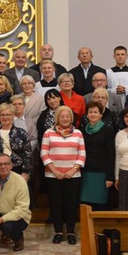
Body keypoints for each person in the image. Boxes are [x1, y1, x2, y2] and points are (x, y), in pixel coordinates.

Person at [40, 105, 85, 245]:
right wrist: (55, 171)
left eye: (67, 116)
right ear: (57, 118)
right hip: (53, 176)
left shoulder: (78, 133)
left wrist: (72, 170)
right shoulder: (48, 132)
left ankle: (71, 232)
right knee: (56, 204)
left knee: (71, 204)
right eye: (62, 116)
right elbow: (44, 153)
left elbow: (82, 154)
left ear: (71, 118)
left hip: (73, 175)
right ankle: (58, 231)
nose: (65, 118)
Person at [80, 101, 115, 210]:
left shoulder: (108, 130)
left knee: (100, 204)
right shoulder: (82, 131)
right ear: (86, 114)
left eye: (96, 112)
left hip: (101, 173)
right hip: (85, 172)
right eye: (90, 112)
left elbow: (111, 154)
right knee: (86, 204)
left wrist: (110, 176)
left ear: (101, 115)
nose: (93, 114)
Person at [0, 103, 32, 181]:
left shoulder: (21, 133)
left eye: (8, 114)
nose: (5, 117)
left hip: (18, 170)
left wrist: (25, 173)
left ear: (13, 116)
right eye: (2, 115)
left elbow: (28, 154)